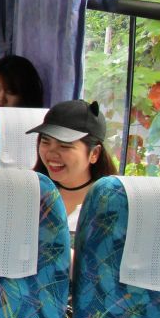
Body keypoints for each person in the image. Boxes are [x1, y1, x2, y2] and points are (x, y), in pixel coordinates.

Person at [28, 100, 117, 241]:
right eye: (45, 142)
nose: (51, 153)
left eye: (64, 146)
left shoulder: (110, 207)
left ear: (94, 154)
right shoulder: (29, 194)